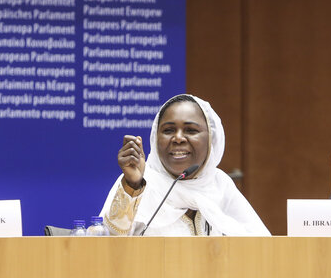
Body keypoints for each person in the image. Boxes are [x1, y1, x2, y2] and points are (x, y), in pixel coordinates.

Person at [99, 94, 270, 236]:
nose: (178, 138)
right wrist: (132, 185)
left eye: (191, 130)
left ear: (211, 140)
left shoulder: (220, 184)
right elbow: (108, 248)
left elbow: (260, 248)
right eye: (168, 130)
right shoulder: (136, 182)